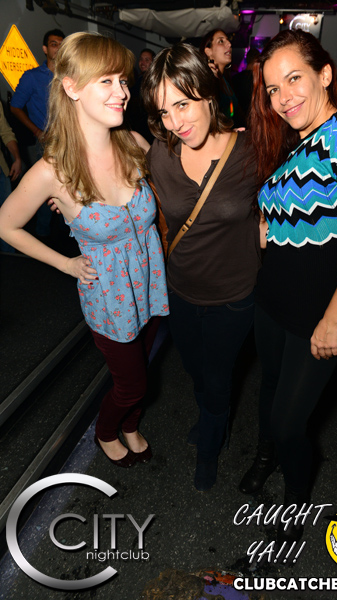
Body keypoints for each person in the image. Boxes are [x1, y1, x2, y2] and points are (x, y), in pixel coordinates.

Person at [238, 30, 337, 542]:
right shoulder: (297, 140)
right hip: (272, 299)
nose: (284, 97)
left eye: (294, 79)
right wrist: (267, 220)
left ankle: (296, 500)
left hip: (316, 315)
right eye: (273, 89)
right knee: (269, 390)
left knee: (290, 423)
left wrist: (333, 320)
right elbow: (292, 206)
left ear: (325, 74)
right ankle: (265, 458)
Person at [0, 32, 168, 467]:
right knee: (131, 384)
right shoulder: (52, 171)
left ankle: (131, 425)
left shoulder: (133, 143)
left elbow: (180, 186)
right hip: (109, 296)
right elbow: (5, 225)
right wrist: (66, 264)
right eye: (106, 81)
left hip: (151, 284)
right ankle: (106, 431)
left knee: (145, 368)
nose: (122, 92)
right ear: (72, 87)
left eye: (123, 81)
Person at [141, 43, 262, 491]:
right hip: (181, 291)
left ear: (209, 95)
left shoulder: (252, 151)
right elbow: (140, 204)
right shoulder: (160, 154)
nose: (175, 122)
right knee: (195, 370)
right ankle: (213, 414)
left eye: (183, 104)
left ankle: (211, 443)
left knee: (218, 376)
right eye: (164, 111)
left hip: (234, 295)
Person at [10, 28, 65, 238]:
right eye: (53, 44)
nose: (58, 48)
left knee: (69, 186)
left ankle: (68, 235)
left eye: (61, 44)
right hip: (45, 142)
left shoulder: (69, 76)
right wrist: (36, 130)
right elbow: (15, 106)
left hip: (69, 141)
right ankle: (42, 237)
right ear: (45, 49)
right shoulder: (32, 77)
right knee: (45, 190)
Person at [199, 30, 244, 127]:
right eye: (221, 41)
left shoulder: (224, 79)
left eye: (228, 41)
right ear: (208, 52)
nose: (229, 44)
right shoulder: (205, 80)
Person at [0, 102, 22, 251]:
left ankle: (10, 261)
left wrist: (17, 158)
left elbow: (5, 132)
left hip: (1, 172)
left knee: (7, 223)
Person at [126, 48, 156, 144]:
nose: (143, 62)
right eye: (141, 59)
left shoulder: (151, 80)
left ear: (153, 62)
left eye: (147, 60)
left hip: (147, 125)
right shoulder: (140, 77)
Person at [231, 47, 260, 119]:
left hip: (237, 118)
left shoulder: (235, 78)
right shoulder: (258, 79)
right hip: (253, 118)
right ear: (256, 60)